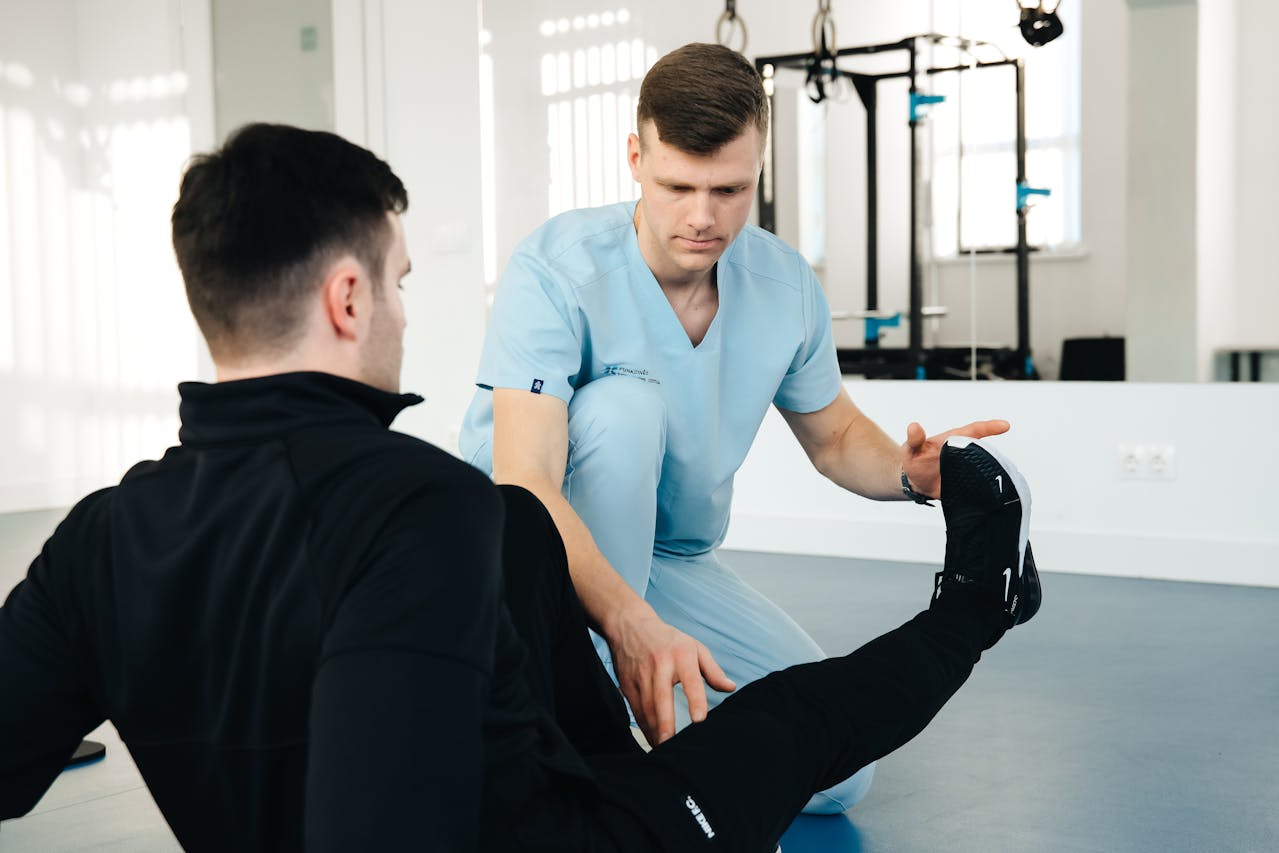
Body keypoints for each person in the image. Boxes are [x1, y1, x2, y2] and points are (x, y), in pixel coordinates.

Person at [0, 123, 1041, 853]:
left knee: (515, 523)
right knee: (789, 726)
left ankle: (606, 740)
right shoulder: (413, 503)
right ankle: (979, 605)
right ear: (349, 296)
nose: (404, 312)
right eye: (401, 282)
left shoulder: (94, 538)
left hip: (549, 736)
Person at [458, 42, 1010, 813]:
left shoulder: (782, 285)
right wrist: (630, 626)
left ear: (758, 170)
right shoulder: (555, 270)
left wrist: (907, 473)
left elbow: (834, 435)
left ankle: (633, 724)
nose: (701, 216)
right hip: (530, 564)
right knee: (623, 407)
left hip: (669, 559)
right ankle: (591, 729)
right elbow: (525, 479)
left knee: (834, 773)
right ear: (633, 157)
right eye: (676, 185)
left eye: (729, 189)